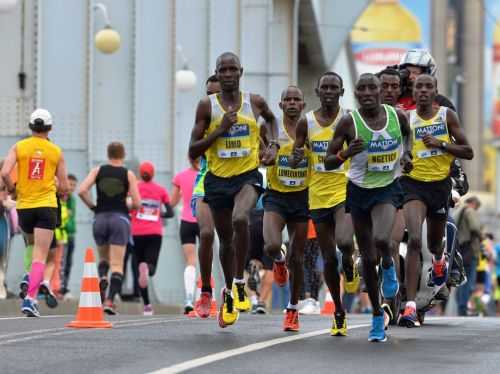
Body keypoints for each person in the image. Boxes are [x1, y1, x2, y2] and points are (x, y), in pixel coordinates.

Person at [189, 52, 278, 328]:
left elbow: (272, 120)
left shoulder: (254, 102)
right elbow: (192, 149)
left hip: (247, 176)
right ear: (216, 72)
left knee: (241, 218)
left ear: (241, 71)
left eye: (232, 69)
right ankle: (229, 292)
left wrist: (273, 145)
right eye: (222, 70)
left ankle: (239, 282)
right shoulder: (207, 106)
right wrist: (220, 131)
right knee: (224, 241)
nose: (228, 74)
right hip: (217, 180)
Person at [325, 73, 413, 342]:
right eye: (361, 89)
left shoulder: (397, 117)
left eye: (371, 88)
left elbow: (408, 137)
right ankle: (377, 314)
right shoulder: (348, 123)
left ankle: (389, 263)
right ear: (356, 93)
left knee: (382, 239)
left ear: (379, 91)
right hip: (359, 191)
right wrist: (345, 154)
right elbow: (329, 161)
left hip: (387, 186)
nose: (366, 93)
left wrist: (407, 154)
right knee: (367, 260)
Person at [398, 74, 473, 327]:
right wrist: (405, 161)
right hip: (413, 185)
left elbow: (468, 151)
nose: (423, 91)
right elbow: (402, 151)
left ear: (434, 91)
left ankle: (440, 261)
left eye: (428, 87)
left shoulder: (447, 116)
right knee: (416, 240)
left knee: (434, 243)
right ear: (414, 91)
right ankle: (409, 306)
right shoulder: (407, 118)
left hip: (439, 186)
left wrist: (441, 144)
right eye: (419, 86)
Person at [290, 72, 358, 336]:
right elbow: (298, 155)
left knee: (343, 243)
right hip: (317, 195)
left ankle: (350, 260)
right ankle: (339, 312)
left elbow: (360, 150)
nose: (329, 91)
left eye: (334, 87)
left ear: (341, 92)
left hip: (344, 189)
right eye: (324, 87)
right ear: (317, 92)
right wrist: (296, 157)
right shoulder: (306, 123)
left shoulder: (349, 118)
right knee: (328, 258)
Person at [1, 108, 68, 317]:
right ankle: (30, 298)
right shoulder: (56, 151)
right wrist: (57, 188)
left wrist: (12, 188)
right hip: (46, 206)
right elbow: (64, 187)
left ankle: (28, 276)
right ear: (50, 128)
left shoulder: (19, 147)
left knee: (31, 244)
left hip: (24, 207)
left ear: (31, 127)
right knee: (42, 254)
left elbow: (4, 172)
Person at [262, 85, 309, 331]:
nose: (292, 102)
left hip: (302, 197)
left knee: (298, 258)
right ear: (280, 105)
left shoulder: (311, 129)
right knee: (271, 245)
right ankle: (278, 262)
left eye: (296, 99)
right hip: (276, 195)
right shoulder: (271, 128)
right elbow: (260, 153)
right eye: (287, 99)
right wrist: (265, 155)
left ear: (303, 104)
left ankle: (292, 309)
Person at [78, 142, 141, 315]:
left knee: (103, 258)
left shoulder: (98, 170)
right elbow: (137, 202)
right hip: (119, 218)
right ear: (123, 154)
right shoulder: (128, 174)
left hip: (100, 218)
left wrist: (93, 206)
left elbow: (82, 190)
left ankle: (103, 277)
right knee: (117, 264)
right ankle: (109, 301)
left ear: (108, 154)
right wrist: (128, 205)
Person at [191, 75, 221, 318]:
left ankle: (234, 287)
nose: (212, 99)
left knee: (232, 238)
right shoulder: (204, 117)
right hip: (205, 184)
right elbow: (192, 151)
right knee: (207, 233)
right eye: (208, 94)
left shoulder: (241, 115)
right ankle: (206, 290)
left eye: (216, 94)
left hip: (233, 185)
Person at [131, 161, 173, 315]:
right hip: (155, 232)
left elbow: (128, 205)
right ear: (153, 174)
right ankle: (147, 268)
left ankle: (147, 305)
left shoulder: (133, 188)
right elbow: (170, 213)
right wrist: (157, 213)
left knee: (139, 265)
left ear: (139, 173)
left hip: (136, 232)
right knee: (151, 268)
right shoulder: (161, 190)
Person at [171, 158, 200, 314]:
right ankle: (201, 298)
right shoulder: (208, 174)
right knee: (205, 259)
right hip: (204, 221)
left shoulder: (180, 176)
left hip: (186, 221)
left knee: (190, 260)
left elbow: (172, 202)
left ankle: (188, 298)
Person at [454, 196, 482, 316]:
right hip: (470, 249)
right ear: (473, 203)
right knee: (468, 281)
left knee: (461, 279)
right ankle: (463, 308)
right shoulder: (469, 211)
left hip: (460, 248)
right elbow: (475, 227)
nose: (476, 210)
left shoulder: (458, 211)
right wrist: (482, 236)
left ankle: (461, 306)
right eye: (477, 207)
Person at [299, 219, 323, 315]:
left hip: (313, 230)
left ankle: (313, 300)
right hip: (299, 227)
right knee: (298, 263)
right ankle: (302, 300)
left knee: (310, 264)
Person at [60, 174, 78, 298]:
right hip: (62, 235)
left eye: (74, 185)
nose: (71, 187)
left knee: (69, 262)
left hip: (71, 234)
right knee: (62, 261)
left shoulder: (72, 200)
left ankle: (65, 286)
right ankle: (60, 287)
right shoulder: (61, 199)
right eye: (70, 184)